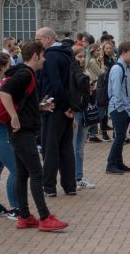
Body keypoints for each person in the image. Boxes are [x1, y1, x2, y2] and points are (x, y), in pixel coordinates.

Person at [0, 40, 68, 231]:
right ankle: (45, 218)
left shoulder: (23, 72)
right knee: (37, 173)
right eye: (43, 56)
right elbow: (4, 92)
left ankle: (25, 216)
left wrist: (39, 106)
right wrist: (13, 117)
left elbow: (20, 100)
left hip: (20, 131)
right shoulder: (26, 74)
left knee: (23, 173)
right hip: (23, 132)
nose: (45, 60)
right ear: (36, 56)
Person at [36, 27, 76, 198]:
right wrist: (70, 106)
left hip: (53, 107)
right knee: (66, 147)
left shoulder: (51, 56)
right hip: (67, 107)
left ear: (48, 39)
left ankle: (49, 186)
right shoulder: (68, 53)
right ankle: (70, 185)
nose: (37, 43)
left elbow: (56, 83)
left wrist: (62, 105)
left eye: (39, 40)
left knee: (50, 148)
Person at [105, 42, 130, 175]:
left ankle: (118, 163)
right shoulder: (118, 68)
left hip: (123, 107)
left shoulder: (125, 67)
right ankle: (111, 164)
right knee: (120, 137)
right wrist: (121, 109)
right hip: (119, 108)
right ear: (123, 53)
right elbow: (116, 92)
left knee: (121, 136)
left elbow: (126, 90)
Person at [70, 46, 95, 190]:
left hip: (85, 111)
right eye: (79, 57)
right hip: (76, 111)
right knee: (72, 146)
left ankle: (79, 176)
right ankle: (72, 177)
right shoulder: (71, 72)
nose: (82, 59)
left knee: (80, 147)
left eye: (83, 56)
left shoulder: (86, 72)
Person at [0, 52, 19, 219]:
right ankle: (15, 207)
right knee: (16, 168)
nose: (11, 68)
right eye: (9, 66)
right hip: (0, 130)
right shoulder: (1, 85)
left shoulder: (1, 84)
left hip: (2, 129)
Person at [86, 43, 106, 143]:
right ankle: (90, 133)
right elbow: (101, 73)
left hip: (97, 87)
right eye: (98, 50)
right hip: (95, 88)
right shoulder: (92, 61)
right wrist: (102, 62)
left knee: (97, 110)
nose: (99, 52)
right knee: (98, 111)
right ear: (92, 51)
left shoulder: (94, 60)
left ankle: (91, 133)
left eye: (100, 50)